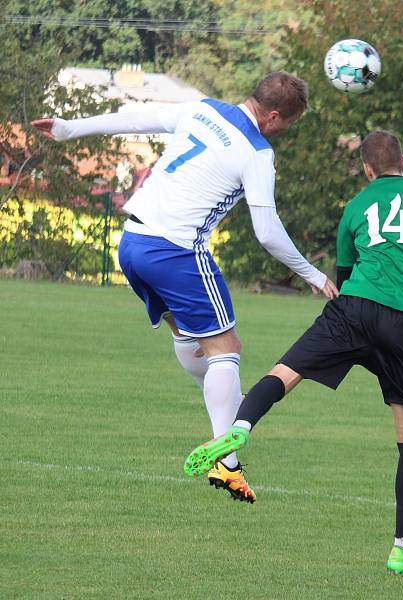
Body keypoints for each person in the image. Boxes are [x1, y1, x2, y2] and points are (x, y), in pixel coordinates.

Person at [32, 72, 337, 504]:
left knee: (194, 342)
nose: (282, 132)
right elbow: (267, 231)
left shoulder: (203, 109)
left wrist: (69, 128)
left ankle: (226, 412)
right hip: (176, 252)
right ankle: (227, 462)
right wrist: (312, 274)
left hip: (133, 243)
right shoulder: (257, 151)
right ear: (272, 116)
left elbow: (136, 118)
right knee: (226, 348)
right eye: (286, 124)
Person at [182, 131, 403, 584]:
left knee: (285, 370)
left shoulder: (354, 208)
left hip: (352, 308)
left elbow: (345, 272)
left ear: (368, 170)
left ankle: (238, 430)